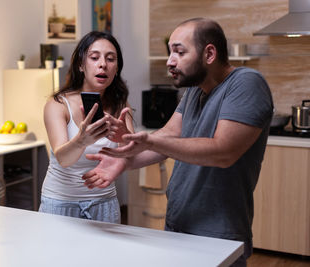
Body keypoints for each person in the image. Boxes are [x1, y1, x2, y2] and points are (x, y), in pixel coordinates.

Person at [82, 18, 273, 266]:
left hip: (217, 232)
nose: (170, 61)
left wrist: (148, 141)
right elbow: (170, 134)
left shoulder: (246, 83)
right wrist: (125, 160)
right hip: (179, 224)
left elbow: (223, 151)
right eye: (170, 51)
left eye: (179, 52)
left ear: (210, 53)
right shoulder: (195, 89)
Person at [39, 31, 134, 224]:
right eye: (94, 57)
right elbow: (63, 158)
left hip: (104, 202)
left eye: (110, 59)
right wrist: (82, 139)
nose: (103, 64)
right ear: (81, 65)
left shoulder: (120, 105)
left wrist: (126, 138)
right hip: (59, 203)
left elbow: (132, 156)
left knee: (104, 256)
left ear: (116, 69)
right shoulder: (58, 104)